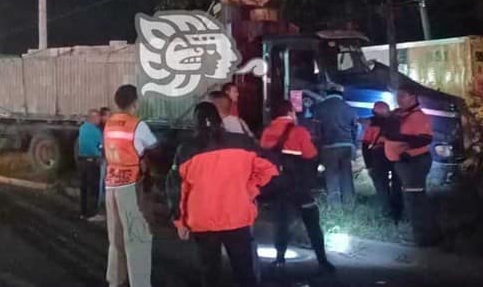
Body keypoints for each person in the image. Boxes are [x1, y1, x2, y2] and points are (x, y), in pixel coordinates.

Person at [167, 102, 277, 287]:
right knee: (244, 270)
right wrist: (250, 188)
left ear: (196, 122)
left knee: (209, 272)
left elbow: (176, 188)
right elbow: (269, 169)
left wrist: (179, 221)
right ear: (219, 119)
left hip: (202, 219)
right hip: (237, 216)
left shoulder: (186, 150)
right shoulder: (242, 142)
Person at [260, 100, 335, 274]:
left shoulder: (267, 132)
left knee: (281, 221)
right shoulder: (299, 131)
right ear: (290, 112)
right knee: (312, 221)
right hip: (298, 185)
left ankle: (279, 259)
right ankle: (322, 260)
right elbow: (311, 154)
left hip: (277, 185)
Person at [103, 84, 158, 287]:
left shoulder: (109, 123)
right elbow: (152, 145)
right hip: (131, 185)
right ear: (135, 103)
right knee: (137, 237)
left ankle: (115, 280)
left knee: (116, 237)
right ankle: (140, 283)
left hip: (111, 183)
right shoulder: (137, 125)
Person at [384, 86, 435, 245]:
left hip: (413, 162)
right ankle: (422, 235)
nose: (398, 99)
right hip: (406, 163)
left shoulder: (418, 117)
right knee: (413, 199)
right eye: (397, 96)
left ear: (413, 97)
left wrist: (406, 148)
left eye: (402, 96)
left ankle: (422, 238)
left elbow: (425, 139)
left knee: (415, 200)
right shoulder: (402, 115)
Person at [312, 85, 358, 206]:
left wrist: (318, 147)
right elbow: (355, 128)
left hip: (329, 146)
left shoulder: (320, 108)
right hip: (347, 145)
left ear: (327, 94)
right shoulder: (349, 108)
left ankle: (335, 205)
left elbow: (317, 130)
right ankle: (349, 204)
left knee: (331, 175)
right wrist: (354, 145)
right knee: (346, 175)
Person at [362, 101, 402, 219]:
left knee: (380, 184)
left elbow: (365, 145)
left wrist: (368, 165)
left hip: (379, 155)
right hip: (396, 154)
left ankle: (386, 211)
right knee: (397, 183)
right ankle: (398, 211)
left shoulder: (372, 124)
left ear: (376, 111)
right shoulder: (398, 123)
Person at [77, 108, 104, 220]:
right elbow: (100, 146)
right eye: (98, 117)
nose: (100, 119)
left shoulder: (82, 128)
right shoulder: (96, 131)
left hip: (82, 161)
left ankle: (83, 213)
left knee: (84, 188)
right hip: (93, 162)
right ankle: (93, 214)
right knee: (94, 188)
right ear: (93, 118)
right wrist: (101, 152)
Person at [98, 106, 111, 211]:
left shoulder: (107, 127)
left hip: (108, 158)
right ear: (102, 117)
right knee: (103, 181)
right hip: (104, 158)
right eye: (108, 115)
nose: (110, 117)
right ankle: (101, 204)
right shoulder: (100, 129)